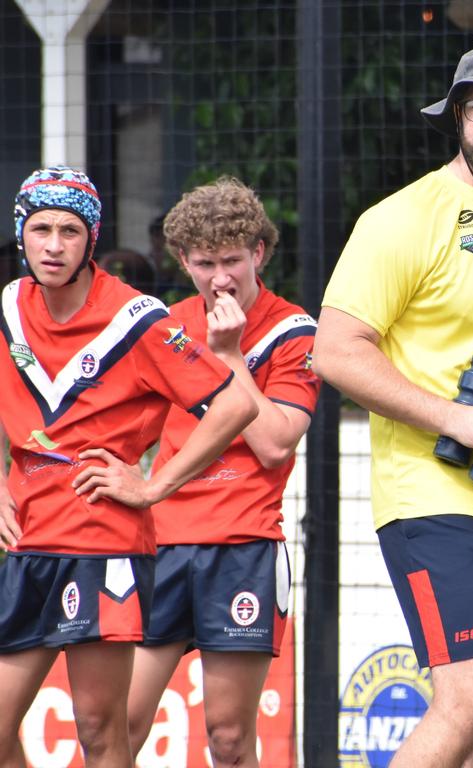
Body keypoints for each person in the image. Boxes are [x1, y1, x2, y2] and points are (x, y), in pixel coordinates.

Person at [314, 43, 473, 767]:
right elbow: (335, 351)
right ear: (457, 116)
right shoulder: (400, 218)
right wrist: (454, 417)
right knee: (472, 692)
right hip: (431, 495)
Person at [0, 166, 256, 767]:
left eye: (69, 229)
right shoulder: (9, 306)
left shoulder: (138, 318)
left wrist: (153, 486)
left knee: (98, 730)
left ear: (91, 237)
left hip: (103, 543)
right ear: (22, 235)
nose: (54, 245)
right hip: (29, 541)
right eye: (40, 229)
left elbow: (235, 403)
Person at [126, 177, 319, 766]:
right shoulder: (164, 324)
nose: (221, 278)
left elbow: (275, 446)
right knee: (116, 722)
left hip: (242, 547)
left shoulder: (294, 330)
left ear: (259, 251)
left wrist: (231, 355)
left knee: (230, 741)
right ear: (183, 260)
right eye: (205, 263)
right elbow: (124, 433)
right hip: (158, 545)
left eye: (233, 260)